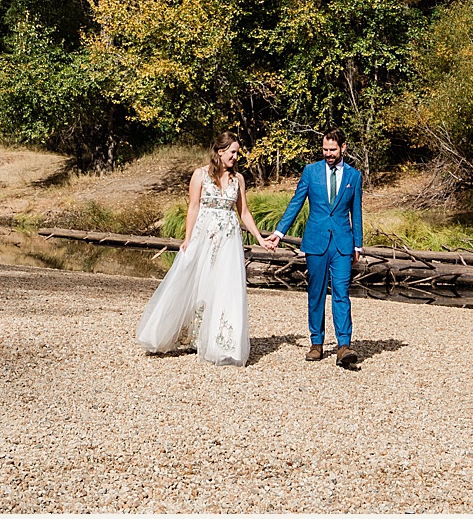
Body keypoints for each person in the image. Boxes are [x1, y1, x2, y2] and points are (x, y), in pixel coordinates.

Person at [135, 134, 273, 366]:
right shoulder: (200, 175)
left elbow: (244, 213)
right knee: (195, 282)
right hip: (204, 236)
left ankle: (220, 343)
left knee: (224, 287)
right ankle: (190, 335)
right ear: (220, 151)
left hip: (228, 240)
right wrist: (187, 239)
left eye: (237, 152)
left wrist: (259, 237)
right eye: (232, 152)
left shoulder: (238, 179)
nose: (235, 157)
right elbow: (193, 207)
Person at [267, 128, 362, 367]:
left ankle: (344, 345)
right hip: (316, 243)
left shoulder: (354, 176)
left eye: (333, 149)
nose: (328, 154)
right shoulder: (310, 172)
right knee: (316, 293)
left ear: (343, 147)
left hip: (342, 243)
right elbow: (296, 203)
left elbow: (357, 213)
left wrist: (358, 245)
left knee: (341, 293)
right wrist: (279, 233)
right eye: (325, 150)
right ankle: (316, 343)